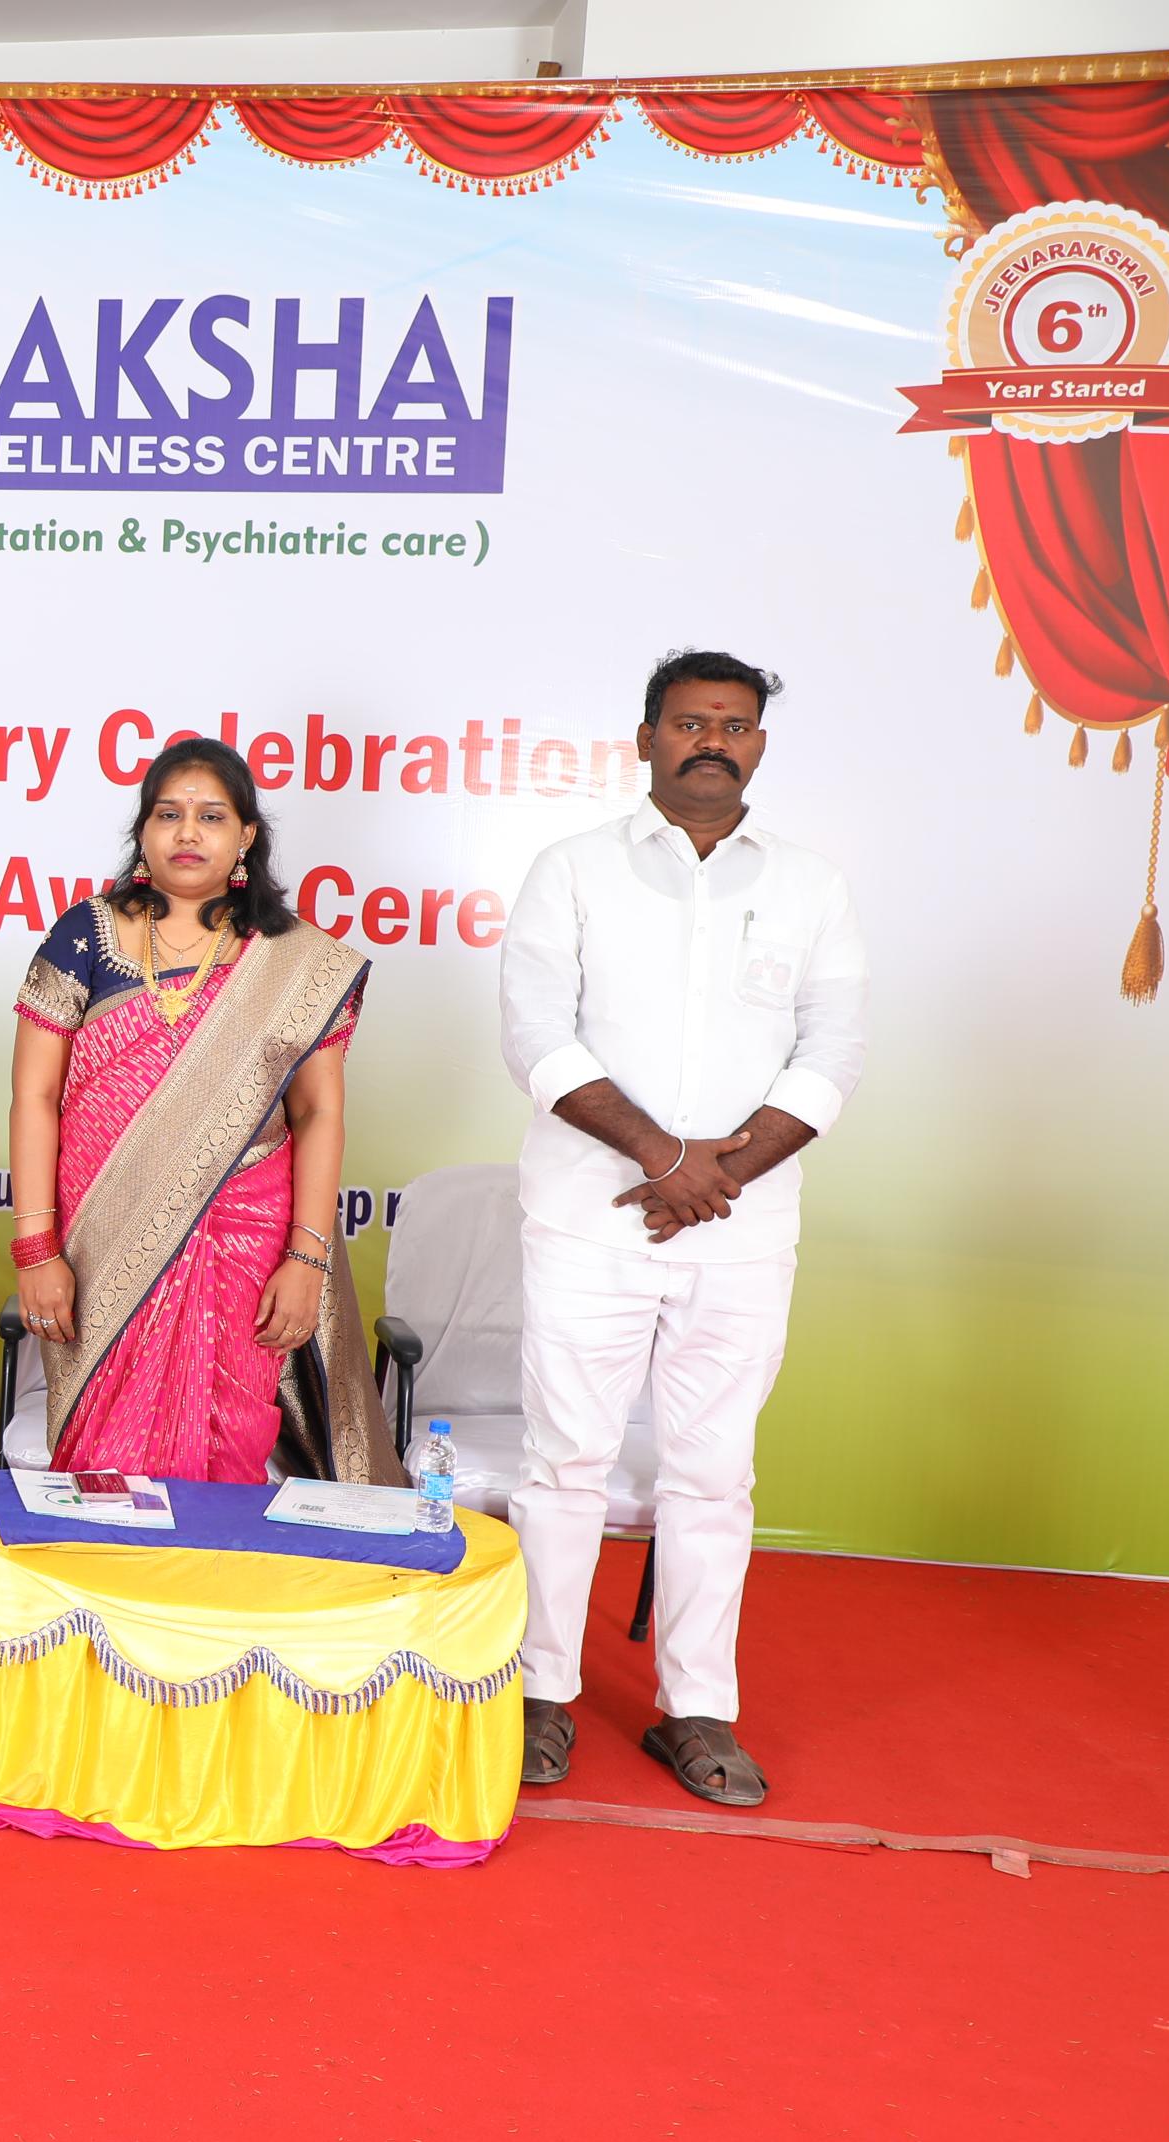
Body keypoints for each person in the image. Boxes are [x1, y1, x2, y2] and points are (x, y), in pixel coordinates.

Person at [498, 650, 865, 1807]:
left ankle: (696, 1706)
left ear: (759, 744)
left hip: (742, 1234)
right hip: (588, 1220)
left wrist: (717, 1176)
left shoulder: (809, 885)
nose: (713, 740)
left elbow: (833, 1051)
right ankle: (540, 1692)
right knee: (565, 1462)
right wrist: (665, 1157)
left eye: (734, 724)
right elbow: (536, 1036)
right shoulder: (572, 869)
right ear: (646, 737)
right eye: (691, 721)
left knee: (714, 1474)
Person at [5, 736, 397, 1488]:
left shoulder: (295, 962)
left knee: (228, 1449)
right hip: (103, 1243)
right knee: (103, 1471)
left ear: (245, 835)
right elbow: (35, 1098)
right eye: (168, 814)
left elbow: (319, 1114)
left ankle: (209, 1568)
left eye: (211, 816)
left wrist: (306, 1259)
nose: (188, 833)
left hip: (243, 1242)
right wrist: (35, 1249)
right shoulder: (83, 935)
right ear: (143, 831)